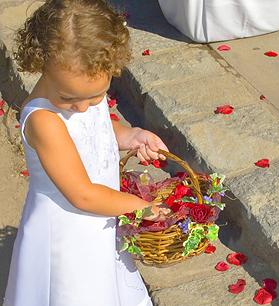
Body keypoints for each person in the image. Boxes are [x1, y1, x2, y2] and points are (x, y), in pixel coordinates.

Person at [3, 1, 170, 305]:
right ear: (42, 63)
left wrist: (131, 135)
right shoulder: (43, 119)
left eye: (97, 96)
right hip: (68, 236)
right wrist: (138, 206)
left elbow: (97, 125)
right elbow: (82, 194)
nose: (82, 107)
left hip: (100, 217)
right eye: (69, 98)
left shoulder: (80, 93)